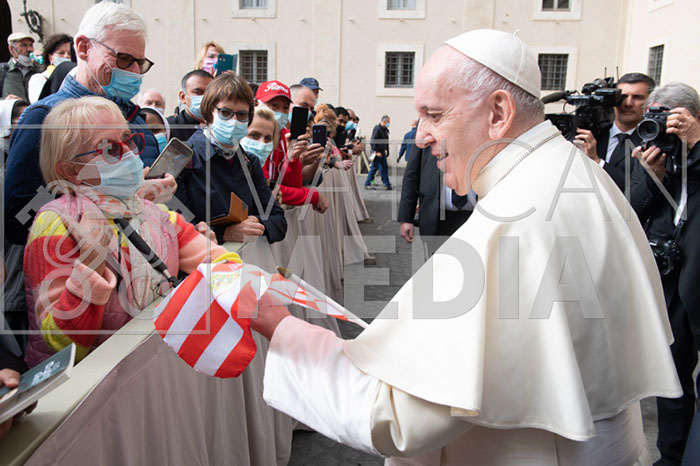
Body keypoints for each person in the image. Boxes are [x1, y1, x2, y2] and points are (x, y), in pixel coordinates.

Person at [250, 29, 681, 464]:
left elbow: (398, 417)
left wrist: (282, 329)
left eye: (434, 115)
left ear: (498, 112)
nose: (421, 137)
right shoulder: (575, 169)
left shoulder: (514, 219)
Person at [23, 96, 236, 366]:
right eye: (109, 148)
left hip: (145, 369)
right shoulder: (56, 221)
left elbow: (225, 266)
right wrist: (92, 262)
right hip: (91, 385)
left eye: (129, 140)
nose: (128, 153)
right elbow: (65, 344)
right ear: (71, 170)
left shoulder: (152, 211)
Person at [4, 2, 164, 247]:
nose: (134, 72)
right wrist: (117, 201)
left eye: (140, 63)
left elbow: (157, 203)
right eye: (123, 59)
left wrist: (177, 221)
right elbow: (19, 217)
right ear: (83, 47)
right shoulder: (44, 119)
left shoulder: (137, 120)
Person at [628, 82, 700, 466]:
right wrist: (652, 176)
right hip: (669, 279)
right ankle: (671, 457)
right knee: (673, 377)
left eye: (669, 118)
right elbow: (631, 210)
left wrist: (695, 144)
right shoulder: (655, 152)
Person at [174, 73, 287, 244]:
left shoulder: (249, 162)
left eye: (242, 114)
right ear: (209, 112)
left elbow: (278, 220)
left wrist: (256, 222)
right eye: (225, 112)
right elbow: (176, 226)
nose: (234, 121)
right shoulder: (181, 157)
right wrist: (223, 234)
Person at [575, 73, 655, 192]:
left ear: (650, 104)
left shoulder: (651, 143)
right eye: (622, 97)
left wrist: (597, 162)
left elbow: (638, 187)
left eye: (637, 97)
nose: (628, 103)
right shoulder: (594, 135)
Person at [257, 81, 329, 211]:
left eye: (285, 108)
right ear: (256, 104)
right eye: (274, 106)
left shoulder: (286, 136)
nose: (280, 112)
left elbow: (292, 186)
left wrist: (293, 159)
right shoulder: (251, 139)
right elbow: (265, 188)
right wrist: (312, 196)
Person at [398, 144, 473, 252]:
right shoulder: (426, 134)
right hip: (436, 218)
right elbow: (412, 175)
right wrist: (406, 218)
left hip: (475, 217)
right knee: (438, 261)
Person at [167, 69, 213, 142]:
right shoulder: (169, 128)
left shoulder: (222, 129)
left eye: (209, 93)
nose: (205, 98)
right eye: (198, 92)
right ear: (183, 97)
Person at [27, 33, 73, 103]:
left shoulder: (76, 77)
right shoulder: (39, 78)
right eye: (61, 53)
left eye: (70, 53)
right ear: (50, 58)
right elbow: (40, 103)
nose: (66, 56)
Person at [1, 32, 42, 101]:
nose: (29, 49)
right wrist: (4, 102)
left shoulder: (39, 70)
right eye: (23, 45)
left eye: (31, 45)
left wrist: (44, 63)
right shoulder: (3, 70)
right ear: (12, 49)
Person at [365, 114, 392, 190]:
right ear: (384, 121)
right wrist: (376, 151)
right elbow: (373, 141)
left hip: (382, 152)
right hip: (377, 152)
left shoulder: (385, 130)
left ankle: (386, 183)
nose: (388, 124)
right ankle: (367, 183)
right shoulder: (377, 129)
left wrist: (387, 150)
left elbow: (386, 141)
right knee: (374, 168)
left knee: (384, 167)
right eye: (388, 122)